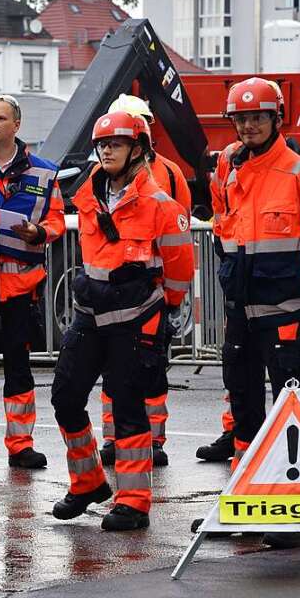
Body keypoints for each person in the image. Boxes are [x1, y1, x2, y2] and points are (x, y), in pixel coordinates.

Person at [204, 76, 300, 547]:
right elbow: (223, 227)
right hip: (241, 310)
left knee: (289, 413)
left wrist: (298, 280)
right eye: (240, 118)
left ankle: (293, 515)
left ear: (275, 119)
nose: (248, 125)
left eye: (257, 117)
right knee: (243, 405)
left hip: (284, 311)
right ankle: (245, 503)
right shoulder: (226, 168)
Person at [48, 110, 194, 531]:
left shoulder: (162, 207)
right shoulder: (89, 197)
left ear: (139, 150)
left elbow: (181, 270)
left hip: (136, 319)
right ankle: (88, 482)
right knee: (65, 398)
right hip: (90, 316)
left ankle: (133, 501)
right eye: (103, 144)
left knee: (129, 410)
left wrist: (162, 313)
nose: (107, 150)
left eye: (117, 143)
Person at [0, 94, 65, 471]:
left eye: (0, 118)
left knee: (19, 368)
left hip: (22, 288)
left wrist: (39, 231)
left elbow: (57, 220)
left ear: (16, 125)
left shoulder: (43, 172)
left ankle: (21, 445)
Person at [96, 94, 191, 470]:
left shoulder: (167, 174)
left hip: (150, 295)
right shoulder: (99, 178)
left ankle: (152, 438)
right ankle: (112, 437)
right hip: (113, 294)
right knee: (112, 372)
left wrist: (170, 298)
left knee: (151, 371)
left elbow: (178, 237)